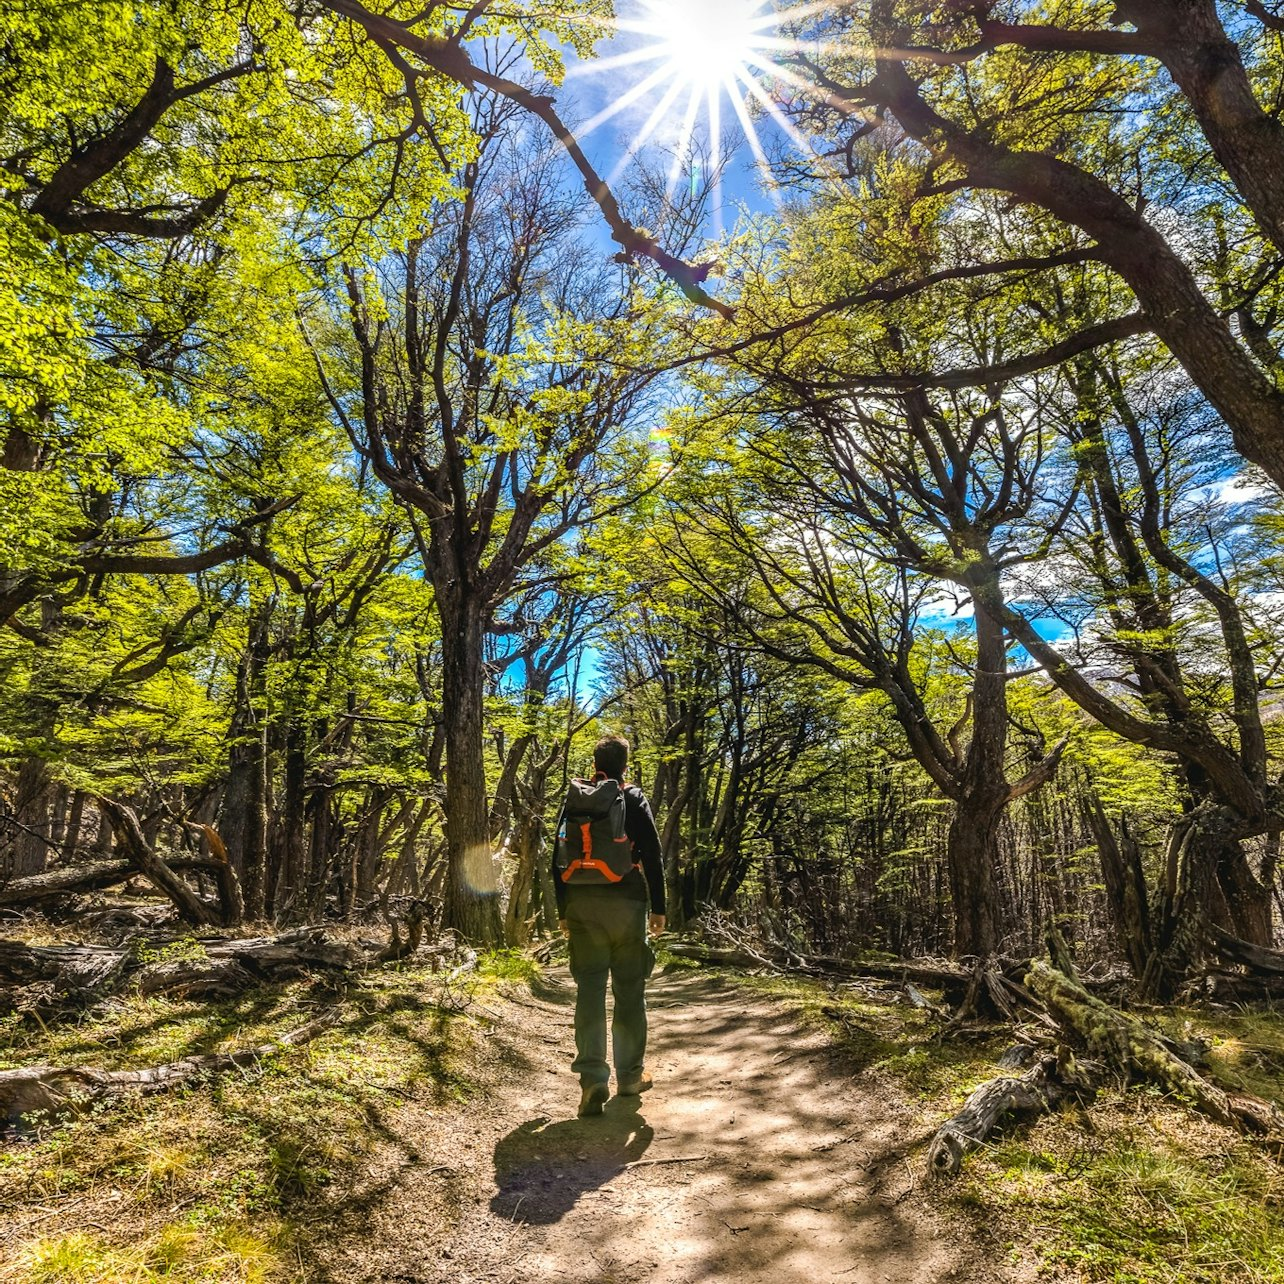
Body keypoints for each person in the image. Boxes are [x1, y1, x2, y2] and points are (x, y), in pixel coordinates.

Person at [553, 734, 666, 1118]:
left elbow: (557, 854)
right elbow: (651, 851)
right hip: (627, 902)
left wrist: (563, 909)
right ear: (626, 764)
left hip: (582, 904)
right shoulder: (631, 797)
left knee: (589, 990)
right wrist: (659, 908)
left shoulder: (577, 797)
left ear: (596, 761)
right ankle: (630, 1078)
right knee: (630, 991)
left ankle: (592, 1079)